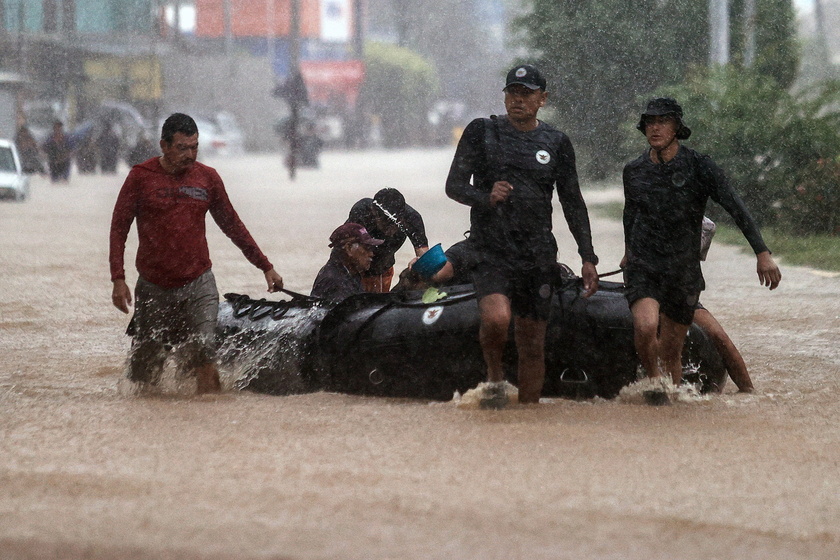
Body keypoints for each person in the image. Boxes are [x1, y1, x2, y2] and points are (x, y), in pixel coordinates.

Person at [446, 64, 600, 407]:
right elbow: (453, 186)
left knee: (532, 343)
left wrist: (587, 256)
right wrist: (484, 197)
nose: (518, 99)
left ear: (542, 99)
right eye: (512, 92)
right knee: (497, 318)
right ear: (504, 96)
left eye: (526, 93)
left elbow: (573, 202)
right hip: (491, 248)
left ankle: (528, 414)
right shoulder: (481, 132)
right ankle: (496, 378)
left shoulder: (556, 142)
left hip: (537, 253)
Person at [109, 113, 284, 395]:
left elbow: (233, 225)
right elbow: (119, 229)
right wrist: (118, 278)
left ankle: (209, 420)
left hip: (198, 284)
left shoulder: (207, 179)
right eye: (182, 148)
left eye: (194, 147)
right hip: (153, 286)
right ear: (164, 146)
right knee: (146, 370)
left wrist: (265, 266)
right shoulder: (140, 177)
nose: (190, 155)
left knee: (204, 351)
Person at [622, 97, 780, 401]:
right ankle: (654, 383)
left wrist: (762, 252)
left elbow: (736, 208)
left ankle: (672, 406)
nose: (655, 128)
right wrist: (629, 250)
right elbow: (630, 214)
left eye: (663, 121)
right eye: (650, 122)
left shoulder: (699, 166)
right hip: (644, 265)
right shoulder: (634, 171)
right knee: (645, 326)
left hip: (682, 269)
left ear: (677, 128)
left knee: (671, 350)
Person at [347, 187, 429, 293]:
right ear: (374, 212)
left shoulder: (411, 219)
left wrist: (420, 262)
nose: (391, 229)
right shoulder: (362, 212)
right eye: (386, 223)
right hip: (355, 269)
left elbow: (424, 257)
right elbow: (345, 249)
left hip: (383, 268)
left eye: (396, 224)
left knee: (378, 303)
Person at [311, 223, 384, 303]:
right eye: (367, 248)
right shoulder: (335, 282)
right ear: (348, 248)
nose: (371, 253)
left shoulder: (349, 272)